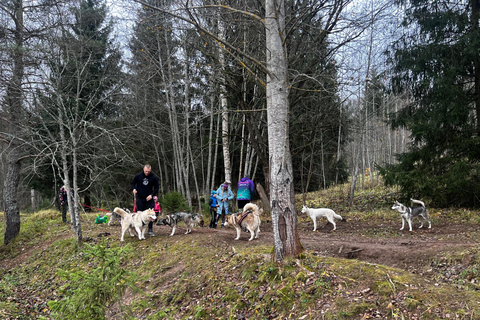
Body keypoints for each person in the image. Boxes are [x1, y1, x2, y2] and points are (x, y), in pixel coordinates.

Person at [131, 164, 159, 236]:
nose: (147, 173)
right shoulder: (138, 176)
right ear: (144, 169)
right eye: (146, 171)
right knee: (139, 213)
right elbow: (133, 183)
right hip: (140, 197)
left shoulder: (153, 177)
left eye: (148, 171)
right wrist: (134, 189)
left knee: (151, 214)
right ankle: (139, 230)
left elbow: (156, 188)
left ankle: (150, 229)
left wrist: (152, 195)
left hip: (149, 198)